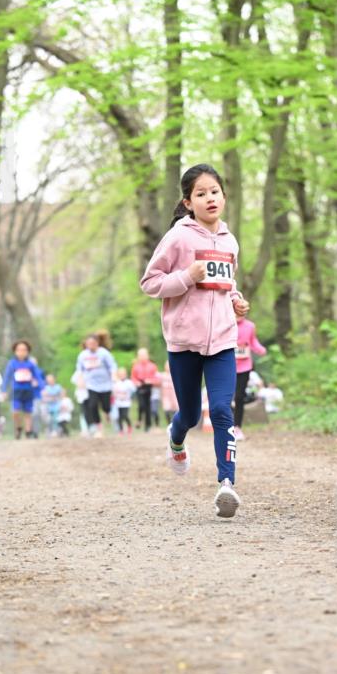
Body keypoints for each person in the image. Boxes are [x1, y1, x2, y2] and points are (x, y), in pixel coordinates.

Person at [140, 163, 249, 518]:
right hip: (184, 342)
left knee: (221, 410)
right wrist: (186, 276)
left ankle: (226, 485)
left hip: (222, 342)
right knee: (188, 414)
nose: (209, 198)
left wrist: (237, 300)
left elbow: (226, 283)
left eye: (214, 192)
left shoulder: (230, 241)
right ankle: (176, 439)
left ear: (224, 195)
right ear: (188, 203)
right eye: (200, 194)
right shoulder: (178, 237)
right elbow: (150, 282)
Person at [75, 334, 116, 437]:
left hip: (105, 385)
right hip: (91, 385)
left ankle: (107, 412)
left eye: (92, 343)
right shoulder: (83, 355)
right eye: (88, 344)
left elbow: (112, 366)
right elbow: (79, 369)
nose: (90, 345)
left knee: (106, 406)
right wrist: (80, 380)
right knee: (92, 405)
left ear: (97, 343)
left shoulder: (104, 353)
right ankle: (98, 428)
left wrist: (114, 375)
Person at [233, 316, 267, 440]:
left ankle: (237, 428)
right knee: (225, 397)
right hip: (227, 365)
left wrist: (260, 349)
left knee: (239, 397)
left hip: (244, 366)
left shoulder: (250, 326)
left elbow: (253, 342)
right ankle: (223, 427)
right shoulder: (226, 323)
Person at [2, 340, 42, 439]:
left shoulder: (31, 364)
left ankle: (28, 432)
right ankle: (19, 427)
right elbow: (6, 377)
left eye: (24, 350)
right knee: (15, 411)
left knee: (28, 412)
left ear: (28, 351)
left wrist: (41, 386)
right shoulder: (12, 363)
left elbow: (37, 376)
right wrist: (4, 390)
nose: (21, 352)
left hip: (28, 390)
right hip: (16, 391)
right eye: (19, 350)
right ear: (15, 351)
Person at [131, 347, 159, 432]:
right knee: (141, 405)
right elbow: (133, 377)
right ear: (138, 356)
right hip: (139, 387)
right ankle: (139, 419)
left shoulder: (153, 366)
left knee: (148, 408)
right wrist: (136, 382)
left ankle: (148, 426)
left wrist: (150, 381)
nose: (142, 357)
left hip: (149, 387)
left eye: (144, 355)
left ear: (147, 355)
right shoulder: (135, 366)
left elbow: (156, 378)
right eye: (140, 355)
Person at [113, 367, 135, 434]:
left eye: (123, 374)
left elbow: (133, 390)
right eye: (120, 374)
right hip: (118, 403)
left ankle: (129, 426)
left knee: (125, 415)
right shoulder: (116, 383)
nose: (122, 375)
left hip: (126, 403)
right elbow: (114, 392)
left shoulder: (129, 382)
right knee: (119, 417)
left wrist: (128, 396)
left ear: (125, 374)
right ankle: (121, 430)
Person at [71, 368, 90, 436]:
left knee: (90, 412)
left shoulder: (90, 371)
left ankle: (91, 428)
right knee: (83, 413)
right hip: (81, 397)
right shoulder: (78, 372)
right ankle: (84, 429)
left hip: (89, 395)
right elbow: (73, 380)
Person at [161, 360, 178, 426]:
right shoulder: (162, 375)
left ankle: (174, 424)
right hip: (166, 397)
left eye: (169, 365)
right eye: (166, 366)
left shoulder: (175, 374)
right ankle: (169, 424)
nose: (168, 367)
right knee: (167, 411)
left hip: (174, 396)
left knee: (175, 411)